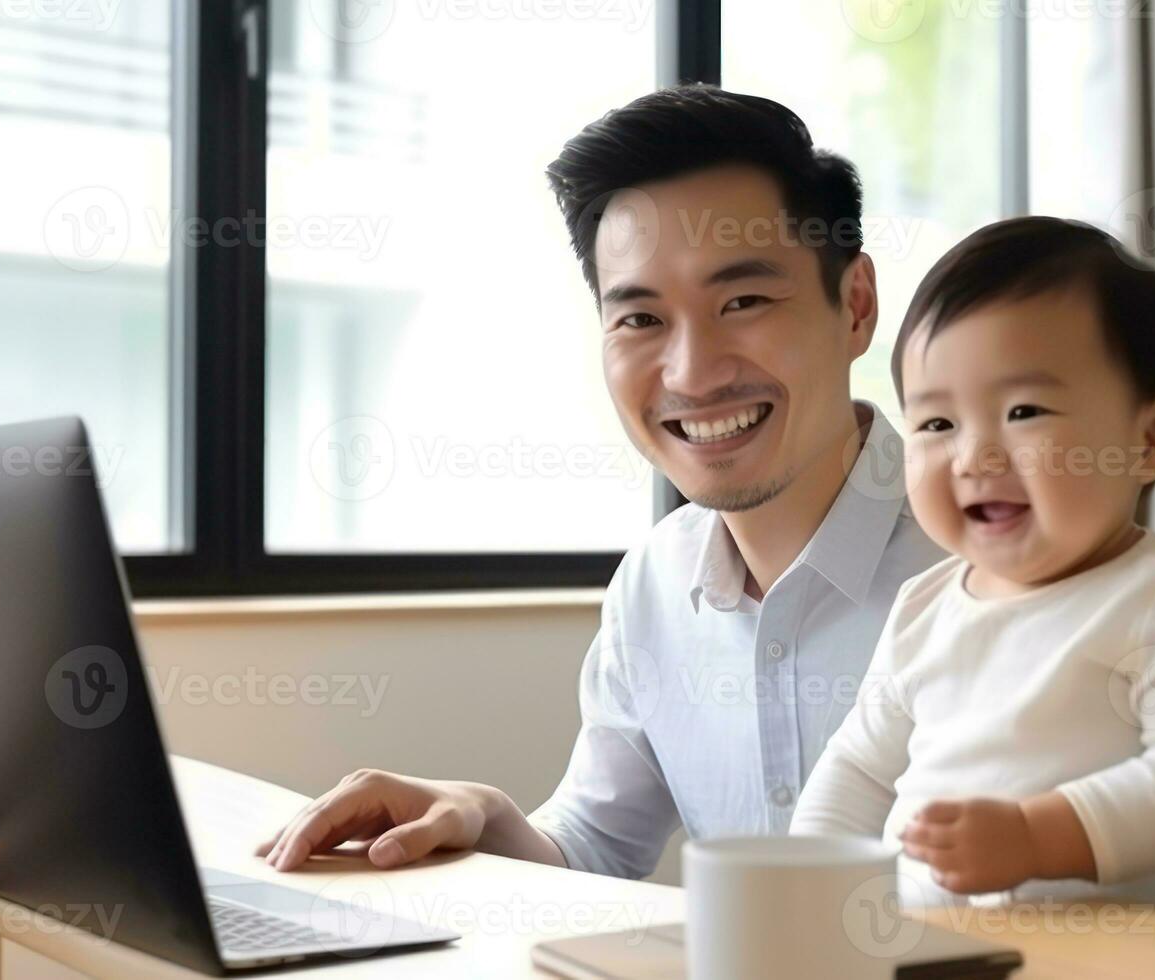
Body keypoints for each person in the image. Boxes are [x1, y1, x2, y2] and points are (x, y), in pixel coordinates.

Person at [258, 86, 943, 876]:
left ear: (854, 305)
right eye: (641, 319)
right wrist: (483, 813)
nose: (691, 371)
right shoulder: (654, 585)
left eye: (743, 299)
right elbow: (593, 848)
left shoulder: (993, 558)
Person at [790, 217, 1155, 918]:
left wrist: (1033, 837)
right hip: (951, 958)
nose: (973, 457)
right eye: (936, 424)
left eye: (1023, 411)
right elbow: (859, 771)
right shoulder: (925, 605)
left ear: (1152, 437)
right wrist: (807, 891)